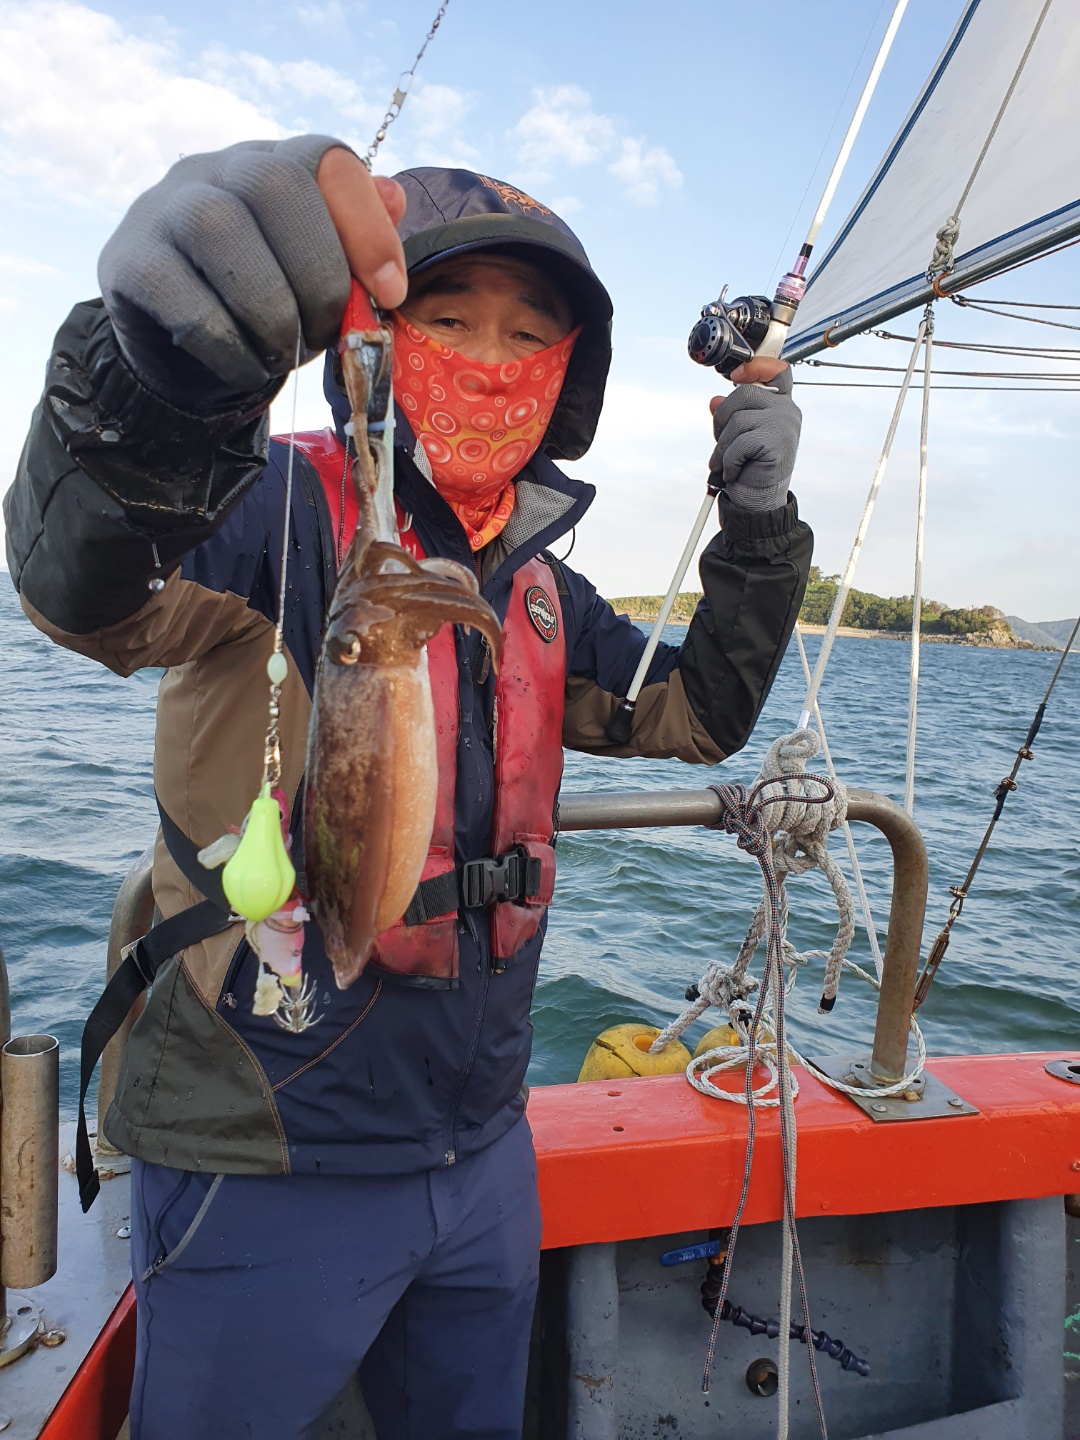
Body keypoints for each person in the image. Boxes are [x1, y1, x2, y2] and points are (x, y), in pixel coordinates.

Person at [4, 137, 812, 1439]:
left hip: (482, 1149)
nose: (490, 359)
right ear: (373, 340)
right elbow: (86, 591)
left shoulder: (543, 592)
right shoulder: (266, 505)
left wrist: (758, 519)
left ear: (566, 376)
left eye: (528, 334)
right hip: (265, 1148)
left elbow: (697, 711)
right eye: (448, 318)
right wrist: (154, 387)